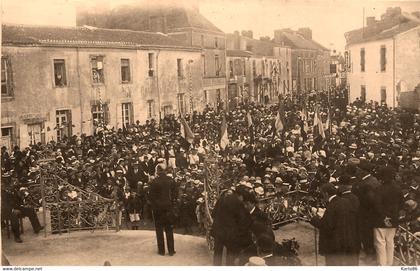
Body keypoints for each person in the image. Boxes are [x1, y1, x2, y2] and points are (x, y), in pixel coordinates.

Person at [310, 183, 355, 266]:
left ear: (326, 194)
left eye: (322, 194)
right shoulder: (345, 201)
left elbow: (326, 226)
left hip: (333, 244)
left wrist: (313, 219)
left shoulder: (331, 206)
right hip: (346, 239)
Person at [211, 185, 253, 266]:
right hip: (230, 233)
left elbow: (213, 213)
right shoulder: (238, 202)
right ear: (240, 195)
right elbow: (242, 220)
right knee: (231, 254)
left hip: (218, 230)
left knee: (217, 253)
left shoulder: (222, 198)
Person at [372, 166, 404, 266]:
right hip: (393, 219)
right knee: (390, 242)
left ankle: (382, 265)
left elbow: (377, 205)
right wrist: (393, 215)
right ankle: (389, 264)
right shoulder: (398, 189)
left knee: (380, 243)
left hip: (381, 219)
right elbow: (401, 204)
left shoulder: (379, 189)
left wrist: (384, 216)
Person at [149, 163, 177, 256]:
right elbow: (175, 194)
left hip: (158, 208)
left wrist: (154, 206)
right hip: (168, 207)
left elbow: (151, 197)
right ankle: (171, 250)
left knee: (159, 229)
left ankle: (161, 251)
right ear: (165, 171)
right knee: (169, 229)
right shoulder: (171, 180)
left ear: (158, 171)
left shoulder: (154, 182)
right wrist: (172, 204)